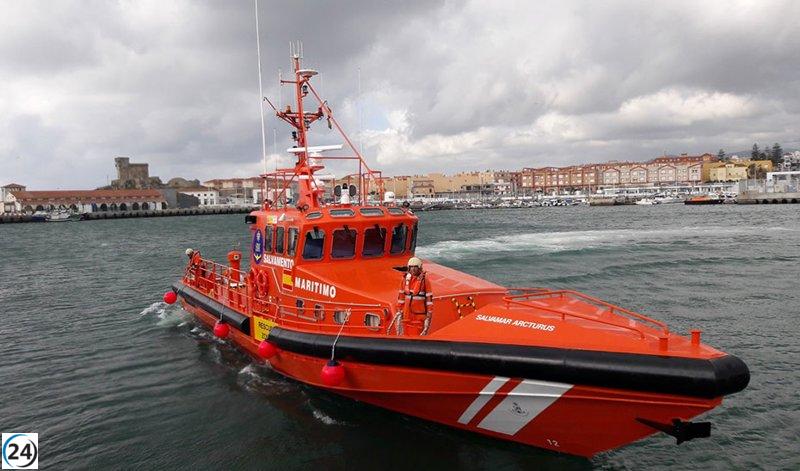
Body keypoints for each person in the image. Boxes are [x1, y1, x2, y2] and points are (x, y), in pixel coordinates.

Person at [395, 257, 434, 336]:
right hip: (407, 312)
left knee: (418, 333)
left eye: (415, 267)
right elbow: (401, 296)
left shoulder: (424, 281)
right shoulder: (404, 280)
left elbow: (429, 298)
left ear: (419, 268)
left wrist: (429, 312)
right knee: (405, 331)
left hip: (419, 314)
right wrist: (399, 309)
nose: (413, 269)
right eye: (411, 267)